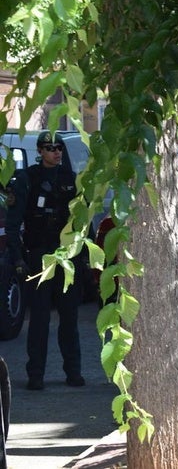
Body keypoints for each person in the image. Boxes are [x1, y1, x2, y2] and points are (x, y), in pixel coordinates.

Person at [5, 131, 85, 390]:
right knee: (39, 319)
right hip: (39, 255)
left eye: (59, 147)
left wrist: (81, 257)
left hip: (65, 255)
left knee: (69, 318)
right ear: (40, 151)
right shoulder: (27, 179)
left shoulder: (70, 179)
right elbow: (14, 223)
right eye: (50, 148)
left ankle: (73, 372)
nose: (56, 152)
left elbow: (81, 221)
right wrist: (18, 257)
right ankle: (36, 375)